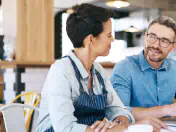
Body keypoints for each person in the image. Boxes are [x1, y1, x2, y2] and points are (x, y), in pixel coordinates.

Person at [36, 3, 166, 132]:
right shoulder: (60, 71)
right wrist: (125, 128)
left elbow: (118, 109)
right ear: (91, 39)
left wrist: (117, 123)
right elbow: (66, 129)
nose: (113, 40)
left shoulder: (98, 71)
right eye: (109, 35)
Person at [110, 16, 176, 126]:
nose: (155, 45)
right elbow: (118, 112)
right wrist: (167, 110)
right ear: (145, 36)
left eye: (164, 41)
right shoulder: (124, 67)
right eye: (152, 37)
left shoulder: (174, 68)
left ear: (173, 46)